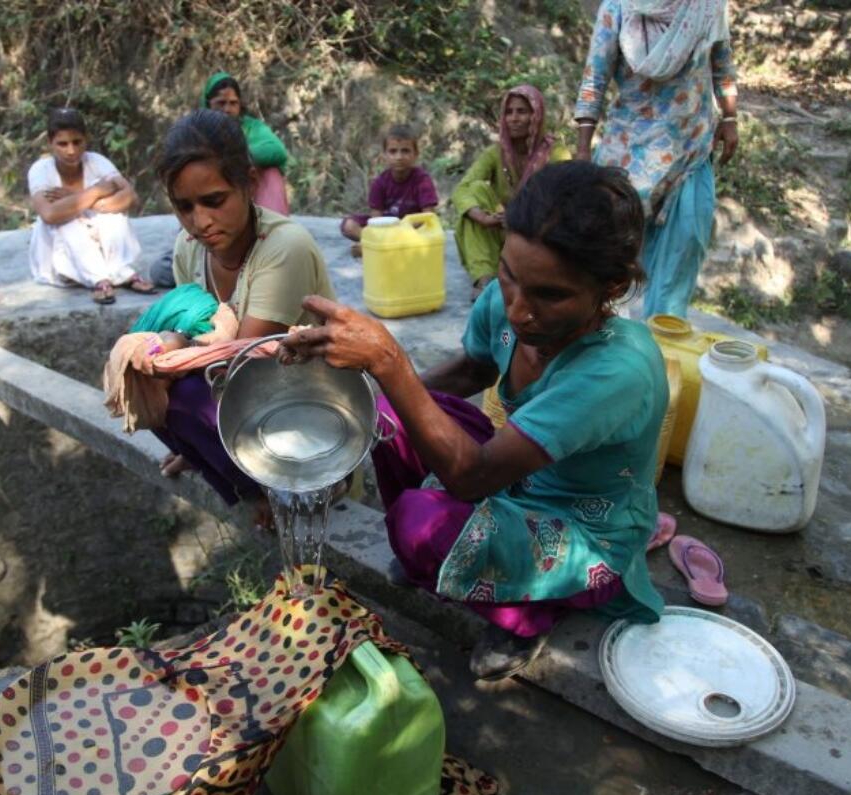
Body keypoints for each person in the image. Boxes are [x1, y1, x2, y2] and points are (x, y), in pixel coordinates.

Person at [282, 161, 667, 680]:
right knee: (387, 413)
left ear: (612, 286)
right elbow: (474, 368)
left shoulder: (617, 371)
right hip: (515, 478)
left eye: (549, 294)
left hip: (582, 530)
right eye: (509, 275)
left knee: (418, 524)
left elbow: (472, 476)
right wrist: (359, 383)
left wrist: (388, 360)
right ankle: (452, 562)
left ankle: (527, 614)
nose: (517, 309)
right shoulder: (506, 302)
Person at [137, 109, 335, 523]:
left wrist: (178, 349)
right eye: (184, 206)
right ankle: (221, 467)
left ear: (248, 182)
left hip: (302, 423)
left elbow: (244, 370)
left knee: (181, 388)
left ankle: (266, 489)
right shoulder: (188, 249)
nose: (200, 222)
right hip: (240, 418)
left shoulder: (285, 248)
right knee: (142, 379)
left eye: (214, 201)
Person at [575, 0, 739, 318]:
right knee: (607, 254)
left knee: (687, 240)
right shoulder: (618, 8)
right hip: (629, 153)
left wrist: (730, 118)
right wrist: (583, 148)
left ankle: (663, 337)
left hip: (690, 146)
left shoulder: (706, 6)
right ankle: (599, 337)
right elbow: (595, 77)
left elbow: (723, 64)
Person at [453, 85, 571, 301]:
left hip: (539, 233)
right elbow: (462, 189)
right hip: (503, 233)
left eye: (522, 111)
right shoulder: (495, 153)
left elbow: (568, 198)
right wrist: (483, 217)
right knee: (476, 191)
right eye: (509, 112)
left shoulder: (556, 153)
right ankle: (484, 279)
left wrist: (521, 216)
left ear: (536, 115)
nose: (514, 118)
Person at [27, 107, 152, 303]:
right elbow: (49, 214)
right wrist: (96, 191)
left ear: (86, 139)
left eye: (77, 142)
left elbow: (130, 197)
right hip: (60, 250)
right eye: (63, 144)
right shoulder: (41, 170)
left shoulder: (96, 162)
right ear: (50, 143)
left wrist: (78, 199)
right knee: (67, 223)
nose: (71, 150)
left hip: (98, 239)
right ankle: (99, 279)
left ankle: (121, 273)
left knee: (114, 216)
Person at [340, 124, 440, 257]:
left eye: (405, 151)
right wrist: (382, 234)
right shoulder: (380, 183)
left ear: (415, 154)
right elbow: (376, 218)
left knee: (426, 232)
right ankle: (375, 245)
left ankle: (375, 247)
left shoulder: (422, 180)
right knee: (349, 225)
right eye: (393, 151)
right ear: (385, 155)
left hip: (412, 229)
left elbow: (428, 217)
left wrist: (402, 230)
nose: (399, 157)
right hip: (386, 227)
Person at [202, 71, 291, 216]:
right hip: (212, 198)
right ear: (208, 104)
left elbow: (277, 151)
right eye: (221, 103)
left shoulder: (251, 127)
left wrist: (239, 157)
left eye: (233, 103)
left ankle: (272, 228)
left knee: (270, 172)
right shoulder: (196, 130)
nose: (227, 109)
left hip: (249, 194)